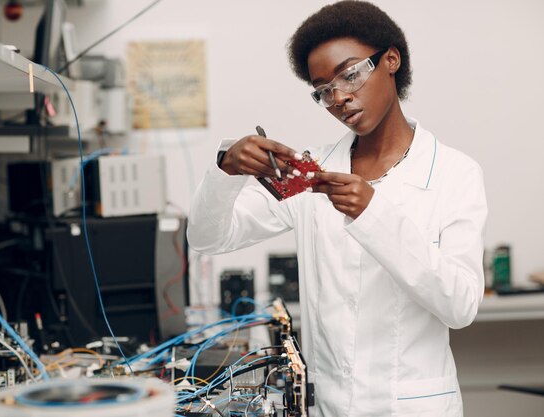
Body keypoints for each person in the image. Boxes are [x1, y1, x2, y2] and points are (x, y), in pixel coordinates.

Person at [187, 1, 487, 416]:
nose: (340, 97)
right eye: (323, 89)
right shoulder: (314, 177)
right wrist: (226, 169)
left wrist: (374, 214)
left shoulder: (455, 173)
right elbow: (207, 238)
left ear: (391, 60)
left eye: (350, 74)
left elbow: (461, 306)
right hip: (330, 407)